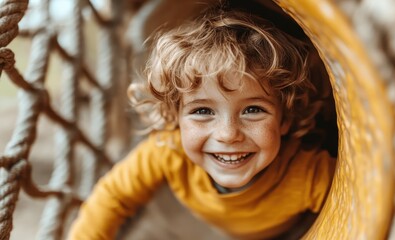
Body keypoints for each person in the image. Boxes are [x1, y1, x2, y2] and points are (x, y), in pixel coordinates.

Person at [68, 5, 336, 240]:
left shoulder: (307, 172)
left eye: (252, 110)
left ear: (285, 120)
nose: (228, 134)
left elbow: (363, 202)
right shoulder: (167, 151)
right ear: (175, 117)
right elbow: (113, 197)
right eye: (203, 111)